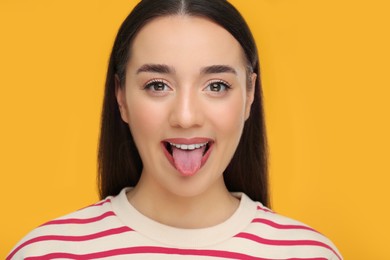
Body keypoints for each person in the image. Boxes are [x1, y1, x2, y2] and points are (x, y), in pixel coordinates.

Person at [7, 0, 342, 259]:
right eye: (157, 85)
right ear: (121, 97)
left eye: (216, 86)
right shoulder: (45, 252)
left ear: (250, 94)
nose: (185, 117)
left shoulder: (309, 253)